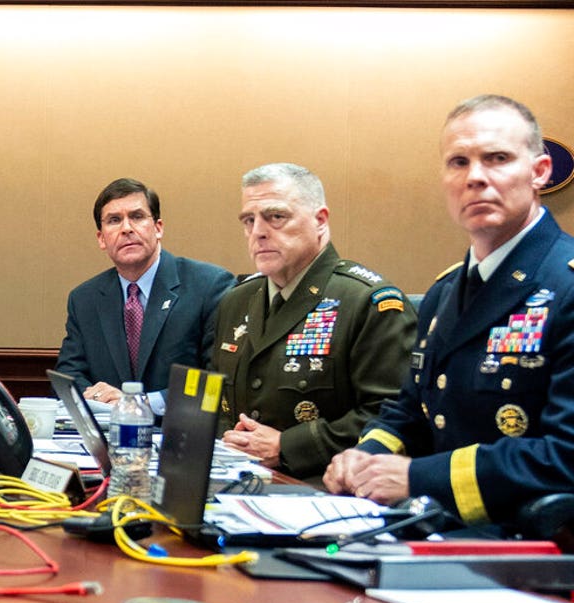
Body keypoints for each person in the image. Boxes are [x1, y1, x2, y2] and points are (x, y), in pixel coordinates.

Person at [324, 95, 574, 524]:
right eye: (459, 162)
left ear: (539, 172)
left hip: (530, 549)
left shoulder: (565, 283)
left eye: (497, 158)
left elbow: (565, 455)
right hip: (434, 530)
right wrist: (364, 456)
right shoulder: (444, 292)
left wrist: (420, 478)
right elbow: (410, 411)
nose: (475, 177)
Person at [213, 163, 417, 479]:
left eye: (276, 217)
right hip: (236, 481)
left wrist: (288, 445)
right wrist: (226, 438)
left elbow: (391, 416)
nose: (259, 232)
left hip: (324, 487)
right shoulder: (236, 300)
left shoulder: (367, 301)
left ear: (320, 221)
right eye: (249, 221)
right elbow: (216, 398)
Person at [55, 177, 234, 414]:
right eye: (114, 220)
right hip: (108, 434)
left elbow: (218, 379)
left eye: (137, 217)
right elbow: (70, 374)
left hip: (179, 435)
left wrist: (137, 404)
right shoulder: (84, 299)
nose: (127, 228)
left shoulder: (208, 286)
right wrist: (101, 403)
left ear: (158, 228)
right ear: (101, 239)